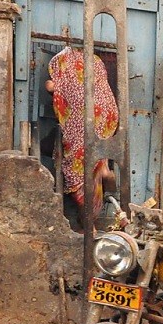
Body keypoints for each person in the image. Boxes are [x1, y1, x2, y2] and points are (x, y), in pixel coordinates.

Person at [46, 46, 118, 231]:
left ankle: (89, 225)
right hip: (107, 114)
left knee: (75, 173)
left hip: (84, 119)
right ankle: (103, 169)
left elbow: (52, 88)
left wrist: (53, 86)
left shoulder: (62, 67)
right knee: (96, 153)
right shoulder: (95, 62)